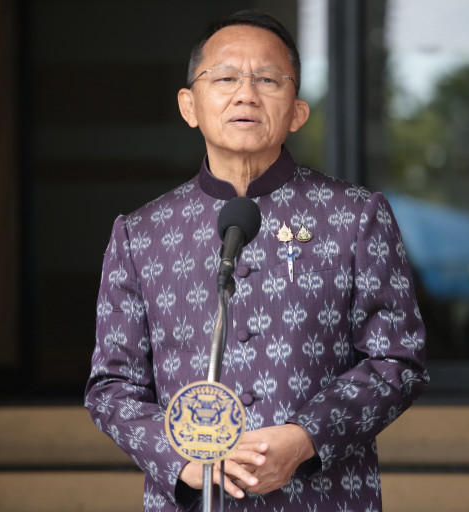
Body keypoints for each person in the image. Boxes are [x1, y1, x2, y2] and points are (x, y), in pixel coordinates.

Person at [85, 10, 428, 511]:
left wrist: (305, 437)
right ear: (189, 106)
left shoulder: (356, 216)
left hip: (323, 497)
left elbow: (397, 359)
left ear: (298, 112)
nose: (245, 94)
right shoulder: (140, 234)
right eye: (225, 78)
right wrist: (181, 461)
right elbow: (113, 385)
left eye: (267, 79)